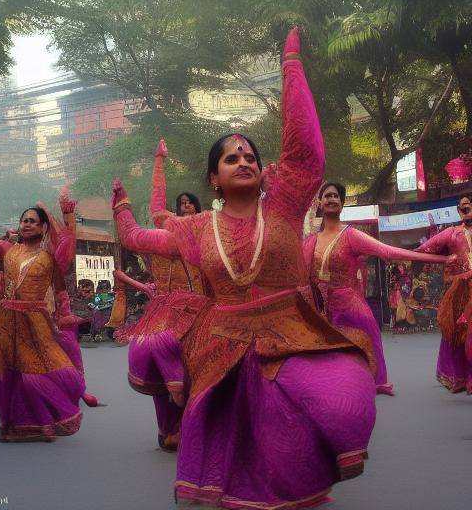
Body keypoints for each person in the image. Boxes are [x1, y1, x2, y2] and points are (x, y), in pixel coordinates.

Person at [111, 29, 378, 508]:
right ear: (213, 177)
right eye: (231, 158)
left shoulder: (285, 205)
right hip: (225, 342)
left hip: (291, 330)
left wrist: (292, 67)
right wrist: (121, 207)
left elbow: (306, 155)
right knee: (243, 437)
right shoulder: (194, 228)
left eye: (250, 156)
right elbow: (136, 238)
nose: (243, 161)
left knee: (335, 406)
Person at [0, 163, 85, 442]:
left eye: (32, 221)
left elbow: (67, 249)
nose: (26, 224)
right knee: (13, 375)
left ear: (43, 228)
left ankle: (47, 416)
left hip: (37, 325)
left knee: (42, 373)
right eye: (23, 220)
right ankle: (22, 426)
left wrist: (68, 216)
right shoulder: (7, 252)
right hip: (6, 324)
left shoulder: (50, 257)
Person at [303, 183, 448, 395]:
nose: (331, 199)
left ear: (342, 204)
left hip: (351, 310)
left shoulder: (351, 235)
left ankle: (374, 383)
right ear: (320, 202)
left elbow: (387, 252)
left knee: (365, 359)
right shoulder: (310, 242)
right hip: (322, 312)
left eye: (335, 196)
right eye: (327, 196)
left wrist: (438, 258)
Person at [113, 138, 207, 451]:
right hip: (168, 312)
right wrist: (157, 162)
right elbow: (146, 218)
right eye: (180, 207)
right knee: (163, 369)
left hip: (205, 311)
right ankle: (170, 428)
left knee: (202, 370)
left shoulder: (210, 235)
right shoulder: (169, 238)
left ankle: (192, 426)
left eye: (190, 205)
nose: (185, 209)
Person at [414, 193, 472, 393]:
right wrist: (444, 260)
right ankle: (458, 377)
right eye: (463, 205)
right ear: (458, 211)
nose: (466, 207)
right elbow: (425, 248)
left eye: (469, 204)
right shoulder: (451, 233)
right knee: (456, 334)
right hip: (459, 291)